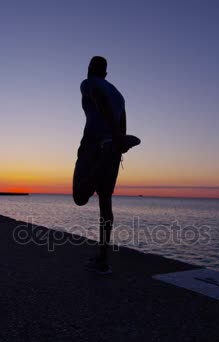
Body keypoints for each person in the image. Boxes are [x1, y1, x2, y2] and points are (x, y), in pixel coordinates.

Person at [72, 56, 140, 274]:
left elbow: (100, 100)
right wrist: (119, 143)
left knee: (80, 197)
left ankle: (102, 161)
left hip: (94, 144)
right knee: (105, 204)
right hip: (112, 146)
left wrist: (117, 141)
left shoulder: (88, 83)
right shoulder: (118, 94)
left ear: (90, 69)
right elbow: (123, 121)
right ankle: (102, 260)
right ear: (106, 73)